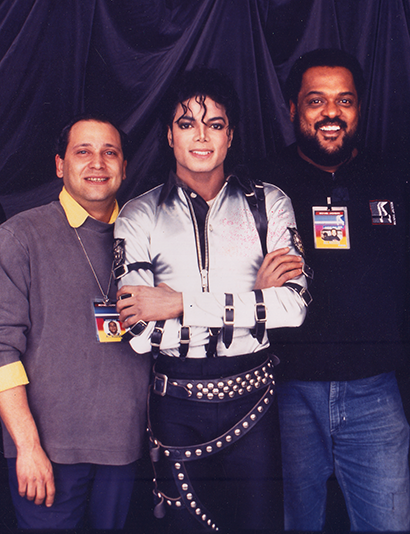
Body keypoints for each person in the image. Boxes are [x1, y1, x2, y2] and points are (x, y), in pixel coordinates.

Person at [114, 67, 311, 533]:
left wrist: (180, 302)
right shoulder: (138, 215)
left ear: (230, 135)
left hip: (254, 401)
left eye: (215, 124)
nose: (201, 137)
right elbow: (141, 332)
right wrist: (254, 304)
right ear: (168, 135)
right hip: (175, 405)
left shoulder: (270, 205)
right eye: (187, 124)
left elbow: (294, 308)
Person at [269, 48, 410, 532]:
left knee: (388, 525)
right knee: (292, 524)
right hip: (287, 392)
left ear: (359, 107)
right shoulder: (264, 185)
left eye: (344, 100)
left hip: (375, 392)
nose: (332, 113)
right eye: (316, 100)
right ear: (293, 108)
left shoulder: (392, 177)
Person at [0, 115, 151, 530]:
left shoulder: (147, 235)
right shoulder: (20, 236)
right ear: (59, 165)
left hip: (125, 450)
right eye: (82, 151)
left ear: (124, 166)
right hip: (47, 455)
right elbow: (0, 350)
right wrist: (27, 447)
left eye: (110, 152)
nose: (97, 163)